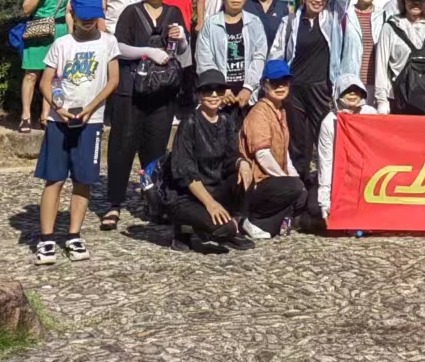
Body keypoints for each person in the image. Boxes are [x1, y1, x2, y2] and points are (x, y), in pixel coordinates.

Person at [33, 0, 118, 265]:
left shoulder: (108, 42)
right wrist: (57, 108)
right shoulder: (62, 44)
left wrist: (92, 108)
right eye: (84, 16)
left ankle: (74, 235)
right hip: (59, 121)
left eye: (94, 16)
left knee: (83, 179)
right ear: (73, 14)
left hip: (91, 121)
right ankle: (46, 238)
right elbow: (45, 82)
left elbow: (113, 80)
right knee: (54, 179)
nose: (89, 21)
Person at [106, 0, 186, 229]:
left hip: (162, 93)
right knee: (122, 146)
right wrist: (147, 52)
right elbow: (118, 47)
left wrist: (181, 38)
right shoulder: (131, 12)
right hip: (131, 90)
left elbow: (183, 52)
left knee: (156, 150)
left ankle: (153, 199)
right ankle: (114, 203)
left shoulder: (174, 13)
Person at [159, 71, 252, 253]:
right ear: (199, 94)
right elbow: (185, 172)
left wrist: (241, 162)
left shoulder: (226, 120)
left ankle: (231, 221)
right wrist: (211, 204)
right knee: (224, 229)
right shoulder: (189, 123)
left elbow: (231, 155)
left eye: (219, 90)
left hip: (215, 187)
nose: (214, 95)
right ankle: (185, 228)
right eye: (208, 90)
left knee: (245, 172)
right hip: (187, 195)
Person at [273, 0, 348, 179]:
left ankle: (326, 184)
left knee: (324, 139)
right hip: (295, 89)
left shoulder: (332, 17)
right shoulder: (290, 21)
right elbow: (277, 53)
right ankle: (300, 186)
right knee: (297, 143)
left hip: (321, 88)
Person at [238, 60, 309, 241]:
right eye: (275, 82)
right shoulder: (259, 112)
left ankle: (273, 222)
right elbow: (262, 154)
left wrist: (294, 177)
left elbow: (285, 152)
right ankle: (252, 219)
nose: (280, 86)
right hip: (258, 182)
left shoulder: (281, 111)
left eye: (284, 82)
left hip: (273, 180)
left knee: (301, 191)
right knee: (292, 188)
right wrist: (287, 180)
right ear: (264, 85)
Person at [194, 0, 268, 113]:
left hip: (248, 97)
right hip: (218, 98)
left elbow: (259, 57)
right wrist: (221, 87)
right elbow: (204, 59)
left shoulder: (255, 22)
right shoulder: (210, 24)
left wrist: (248, 88)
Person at [18, 0, 74, 132]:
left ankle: (46, 116)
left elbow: (68, 13)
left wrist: (72, 36)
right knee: (31, 74)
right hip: (38, 31)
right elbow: (26, 10)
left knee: (54, 76)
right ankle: (25, 116)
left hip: (60, 32)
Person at [313, 78, 376, 222]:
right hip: (341, 178)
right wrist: (325, 201)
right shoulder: (329, 122)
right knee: (314, 209)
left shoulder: (371, 114)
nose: (352, 94)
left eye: (356, 90)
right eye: (347, 90)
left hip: (368, 176)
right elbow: (326, 163)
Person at [153, 0, 201, 105]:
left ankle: (181, 105)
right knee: (159, 64)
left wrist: (198, 19)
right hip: (159, 24)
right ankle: (159, 101)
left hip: (183, 25)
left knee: (182, 67)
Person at [338, 0, 388, 103]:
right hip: (351, 86)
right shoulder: (345, 16)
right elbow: (336, 54)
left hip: (377, 85)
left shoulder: (384, 16)